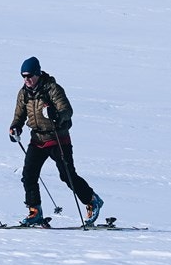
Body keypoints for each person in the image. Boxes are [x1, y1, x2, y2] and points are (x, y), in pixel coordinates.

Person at [9, 56, 103, 226]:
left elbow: (67, 111)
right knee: (29, 175)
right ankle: (34, 211)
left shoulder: (52, 89)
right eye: (23, 76)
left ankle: (92, 200)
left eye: (29, 75)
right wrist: (15, 127)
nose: (27, 80)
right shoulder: (23, 93)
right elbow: (19, 115)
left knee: (67, 175)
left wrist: (56, 115)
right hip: (37, 139)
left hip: (58, 138)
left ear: (37, 74)